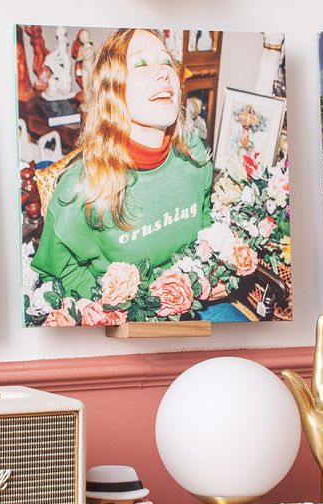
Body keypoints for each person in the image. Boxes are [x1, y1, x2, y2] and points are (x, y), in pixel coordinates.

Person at [30, 28, 214, 303]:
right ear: (113, 90)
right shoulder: (82, 188)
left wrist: (210, 273)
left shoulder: (194, 153)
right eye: (141, 64)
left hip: (198, 306)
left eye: (166, 62)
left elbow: (205, 218)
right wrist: (117, 308)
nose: (164, 73)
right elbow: (55, 273)